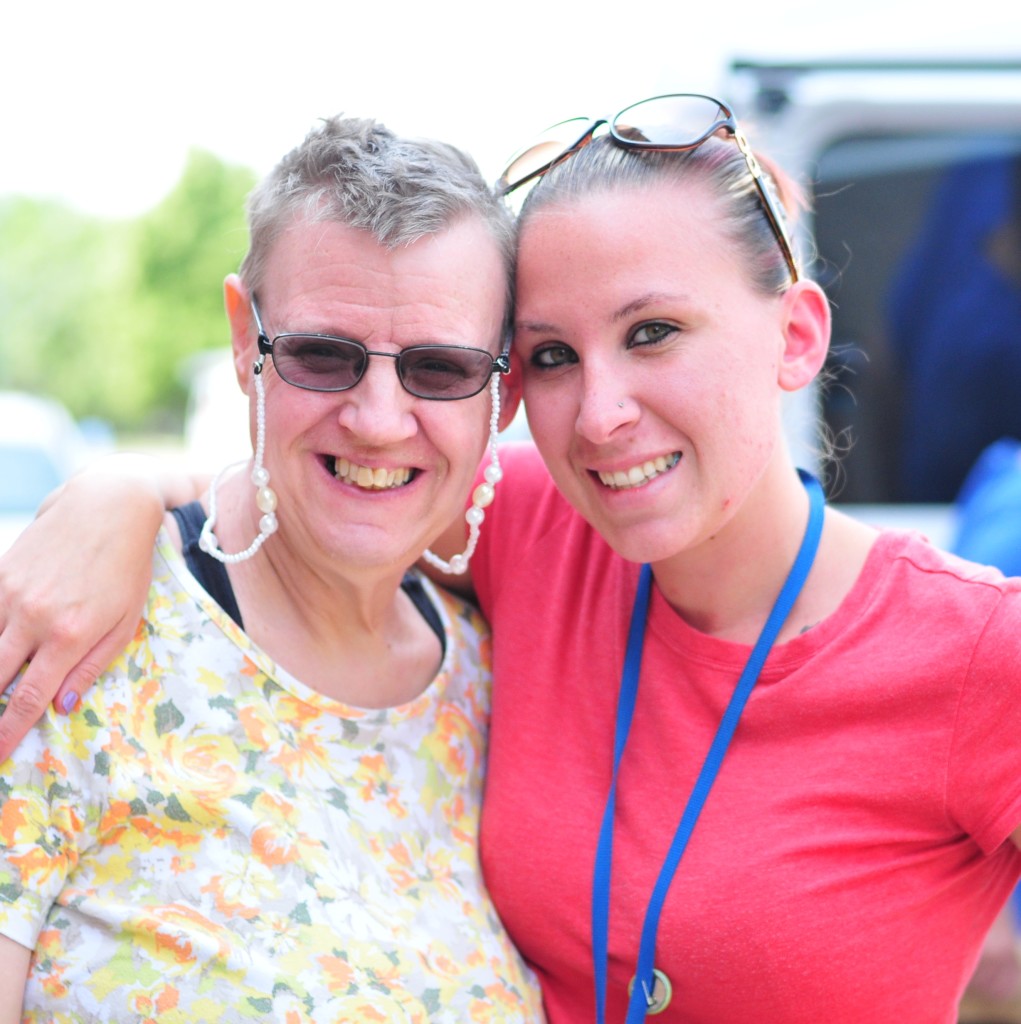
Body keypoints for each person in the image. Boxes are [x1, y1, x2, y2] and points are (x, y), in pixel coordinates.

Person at [3, 94, 1021, 1023]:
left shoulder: (978, 650)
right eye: (550, 356)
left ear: (795, 336)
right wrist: (117, 494)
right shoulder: (536, 530)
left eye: (653, 331)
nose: (601, 411)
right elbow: (330, 475)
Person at [0, 114, 544, 1022]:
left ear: (504, 392)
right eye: (322, 355)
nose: (377, 419)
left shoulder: (494, 680)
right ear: (244, 340)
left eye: (439, 370)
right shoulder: (77, 641)